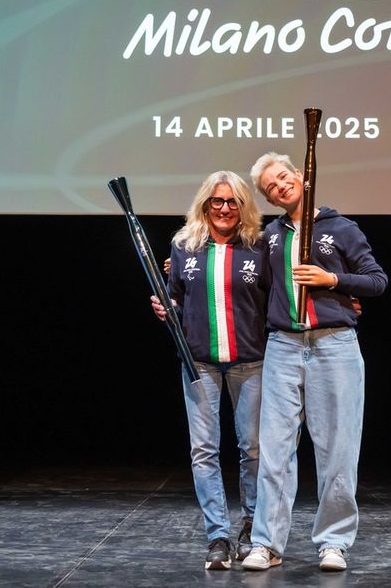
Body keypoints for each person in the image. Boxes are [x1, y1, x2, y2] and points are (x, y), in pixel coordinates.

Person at [240, 151, 388, 573]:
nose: (279, 186)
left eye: (282, 177)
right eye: (270, 187)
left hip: (334, 345)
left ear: (300, 175)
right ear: (269, 198)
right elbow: (246, 280)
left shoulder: (341, 228)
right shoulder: (270, 236)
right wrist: (179, 268)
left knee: (338, 448)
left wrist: (334, 281)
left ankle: (334, 542)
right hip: (283, 347)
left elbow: (377, 280)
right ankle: (267, 544)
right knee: (275, 450)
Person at [151, 170, 269, 570]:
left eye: (233, 201)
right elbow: (176, 298)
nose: (224, 208)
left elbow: (282, 294)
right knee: (203, 451)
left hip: (251, 361)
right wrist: (166, 308)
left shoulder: (259, 246)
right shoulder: (184, 246)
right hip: (198, 361)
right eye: (217, 200)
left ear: (243, 206)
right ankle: (217, 535)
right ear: (205, 204)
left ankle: (251, 529)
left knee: (253, 449)